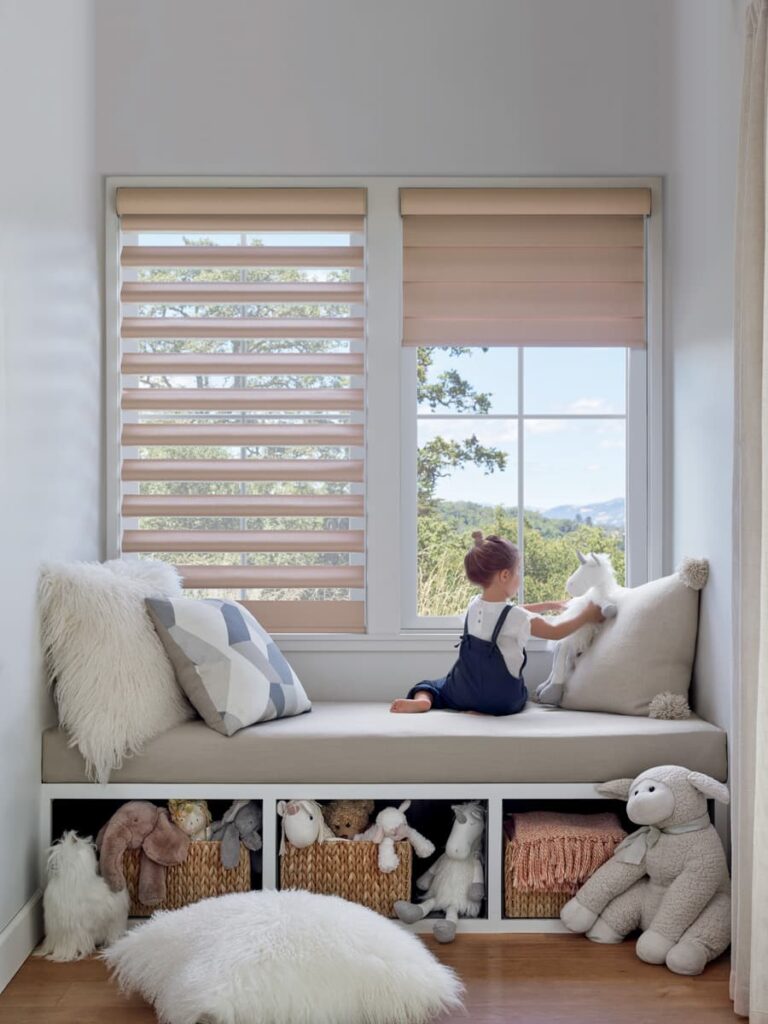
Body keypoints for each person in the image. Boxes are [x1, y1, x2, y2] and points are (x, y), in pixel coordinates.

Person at [390, 531, 605, 716]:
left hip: (465, 691)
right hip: (503, 701)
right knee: (519, 693)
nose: (520, 576)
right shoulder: (517, 617)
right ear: (504, 575)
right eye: (518, 570)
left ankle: (424, 701)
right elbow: (555, 632)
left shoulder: (473, 605)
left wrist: (550, 604)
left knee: (429, 686)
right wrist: (586, 615)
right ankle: (486, 710)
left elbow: (509, 611)